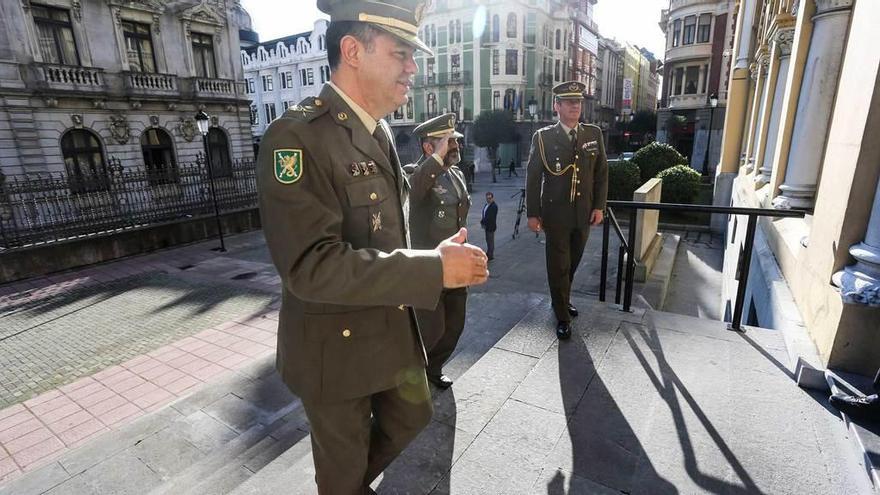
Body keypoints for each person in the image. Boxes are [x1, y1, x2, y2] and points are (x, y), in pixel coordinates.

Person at [256, 1, 489, 493]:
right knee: (343, 474)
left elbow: (383, 229)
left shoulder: (377, 129)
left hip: (385, 327)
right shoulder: (295, 138)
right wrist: (431, 270)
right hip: (332, 349)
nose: (413, 67)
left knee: (413, 414)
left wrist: (434, 253)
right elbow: (311, 267)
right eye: (400, 53)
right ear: (352, 51)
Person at [525, 81, 608, 340]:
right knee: (559, 265)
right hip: (555, 214)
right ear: (557, 106)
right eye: (569, 102)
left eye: (578, 102)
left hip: (583, 213)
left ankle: (560, 298)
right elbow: (533, 177)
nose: (575, 106)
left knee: (572, 262)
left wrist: (599, 206)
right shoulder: (544, 137)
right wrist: (532, 213)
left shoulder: (593, 134)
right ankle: (562, 316)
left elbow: (601, 174)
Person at [408, 112, 470, 389]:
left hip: (456, 266)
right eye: (448, 141)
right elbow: (414, 191)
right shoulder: (415, 173)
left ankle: (434, 368)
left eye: (455, 140)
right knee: (431, 329)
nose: (455, 146)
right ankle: (414, 374)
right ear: (428, 147)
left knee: (455, 325)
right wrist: (435, 161)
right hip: (430, 265)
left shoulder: (455, 174)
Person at [481, 191, 498, 260]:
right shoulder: (487, 205)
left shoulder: (494, 206)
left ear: (493, 198)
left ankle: (490, 255)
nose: (488, 199)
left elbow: (490, 217)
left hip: (490, 226)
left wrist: (483, 222)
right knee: (488, 240)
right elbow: (485, 214)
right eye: (487, 198)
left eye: (490, 198)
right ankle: (488, 252)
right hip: (487, 226)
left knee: (490, 241)